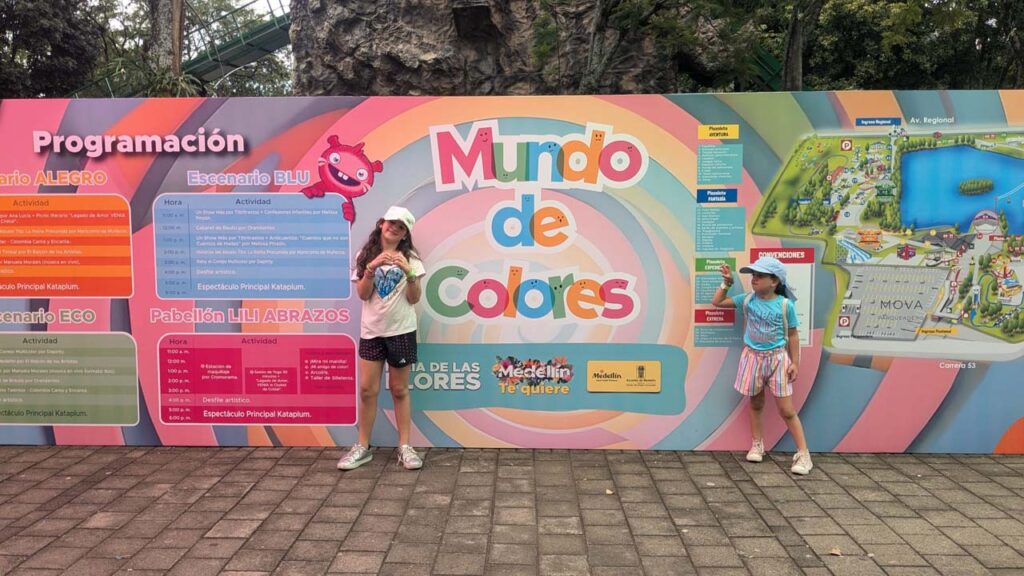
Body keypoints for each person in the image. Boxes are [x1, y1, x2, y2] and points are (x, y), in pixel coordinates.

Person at [337, 206, 426, 471]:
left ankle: (405, 447)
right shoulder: (365, 256)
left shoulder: (412, 259)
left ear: (405, 234)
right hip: (371, 332)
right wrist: (371, 268)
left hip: (402, 331)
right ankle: (362, 447)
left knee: (400, 390)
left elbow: (414, 298)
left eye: (401, 226)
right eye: (391, 222)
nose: (394, 228)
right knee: (367, 390)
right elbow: (363, 294)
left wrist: (409, 273)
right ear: (381, 224)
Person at [711, 256, 812, 475]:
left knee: (786, 410)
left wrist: (795, 362)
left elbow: (793, 335)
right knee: (756, 403)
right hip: (752, 358)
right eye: (753, 275)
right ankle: (757, 444)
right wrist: (726, 283)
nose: (754, 279)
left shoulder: (785, 305)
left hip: (777, 360)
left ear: (774, 281)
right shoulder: (747, 300)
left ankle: (804, 454)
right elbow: (717, 302)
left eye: (759, 275)